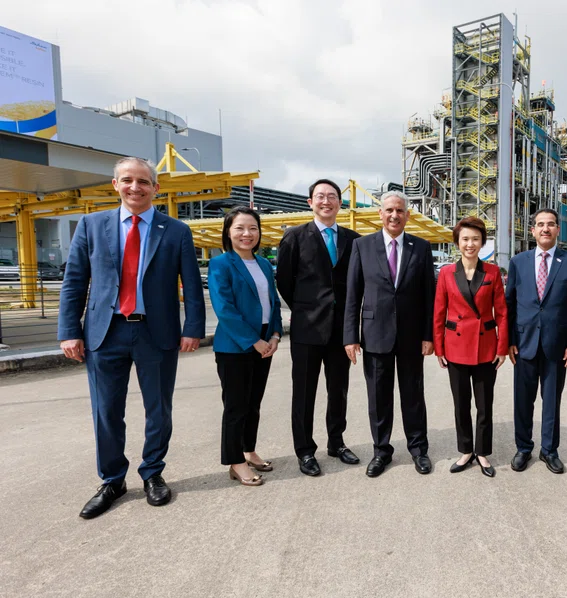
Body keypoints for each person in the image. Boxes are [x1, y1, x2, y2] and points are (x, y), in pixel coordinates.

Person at [58, 157, 204, 519]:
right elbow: (74, 281)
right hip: (104, 333)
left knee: (158, 408)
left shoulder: (176, 231)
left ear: (156, 188)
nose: (135, 187)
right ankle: (112, 480)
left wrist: (193, 329)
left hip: (156, 333)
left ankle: (153, 472)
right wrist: (68, 331)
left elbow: (192, 286)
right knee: (106, 411)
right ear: (115, 184)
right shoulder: (92, 225)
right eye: (127, 180)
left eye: (143, 181)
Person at [344, 191, 436, 477]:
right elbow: (352, 294)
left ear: (407, 215)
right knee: (378, 397)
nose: (394, 215)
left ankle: (419, 450)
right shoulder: (362, 246)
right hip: (374, 334)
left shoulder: (420, 247)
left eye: (399, 210)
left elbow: (428, 296)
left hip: (411, 336)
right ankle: (381, 451)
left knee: (413, 396)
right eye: (389, 210)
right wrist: (350, 336)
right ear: (380, 214)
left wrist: (428, 335)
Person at [276, 179, 361, 477]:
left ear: (340, 202)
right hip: (307, 330)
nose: (327, 201)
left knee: (338, 389)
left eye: (332, 196)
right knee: (304, 392)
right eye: (320, 196)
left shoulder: (353, 240)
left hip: (342, 331)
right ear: (310, 202)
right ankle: (305, 450)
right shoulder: (294, 237)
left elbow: (357, 284)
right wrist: (305, 308)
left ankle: (336, 442)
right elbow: (284, 282)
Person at [506, 208, 567, 474]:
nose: (545, 229)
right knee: (523, 400)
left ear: (557, 230)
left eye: (550, 224)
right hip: (524, 343)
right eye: (540, 224)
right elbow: (509, 304)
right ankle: (523, 448)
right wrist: (509, 340)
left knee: (551, 400)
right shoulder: (518, 262)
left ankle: (549, 450)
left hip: (557, 345)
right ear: (532, 230)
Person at [208, 206, 283, 487]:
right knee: (236, 406)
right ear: (228, 232)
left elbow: (273, 303)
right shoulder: (221, 264)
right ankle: (235, 461)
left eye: (252, 228)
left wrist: (274, 335)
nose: (246, 234)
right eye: (239, 228)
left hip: (265, 342)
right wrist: (254, 341)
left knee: (253, 404)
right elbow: (224, 308)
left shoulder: (263, 264)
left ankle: (249, 450)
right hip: (235, 346)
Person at [433, 217, 508, 477]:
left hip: (486, 347)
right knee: (461, 403)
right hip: (455, 347)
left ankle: (483, 452)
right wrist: (439, 349)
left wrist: (502, 347)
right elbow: (439, 312)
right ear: (457, 242)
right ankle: (466, 450)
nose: (470, 243)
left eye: (475, 239)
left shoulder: (492, 272)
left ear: (482, 243)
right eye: (465, 239)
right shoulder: (445, 273)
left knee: (485, 404)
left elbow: (502, 314)